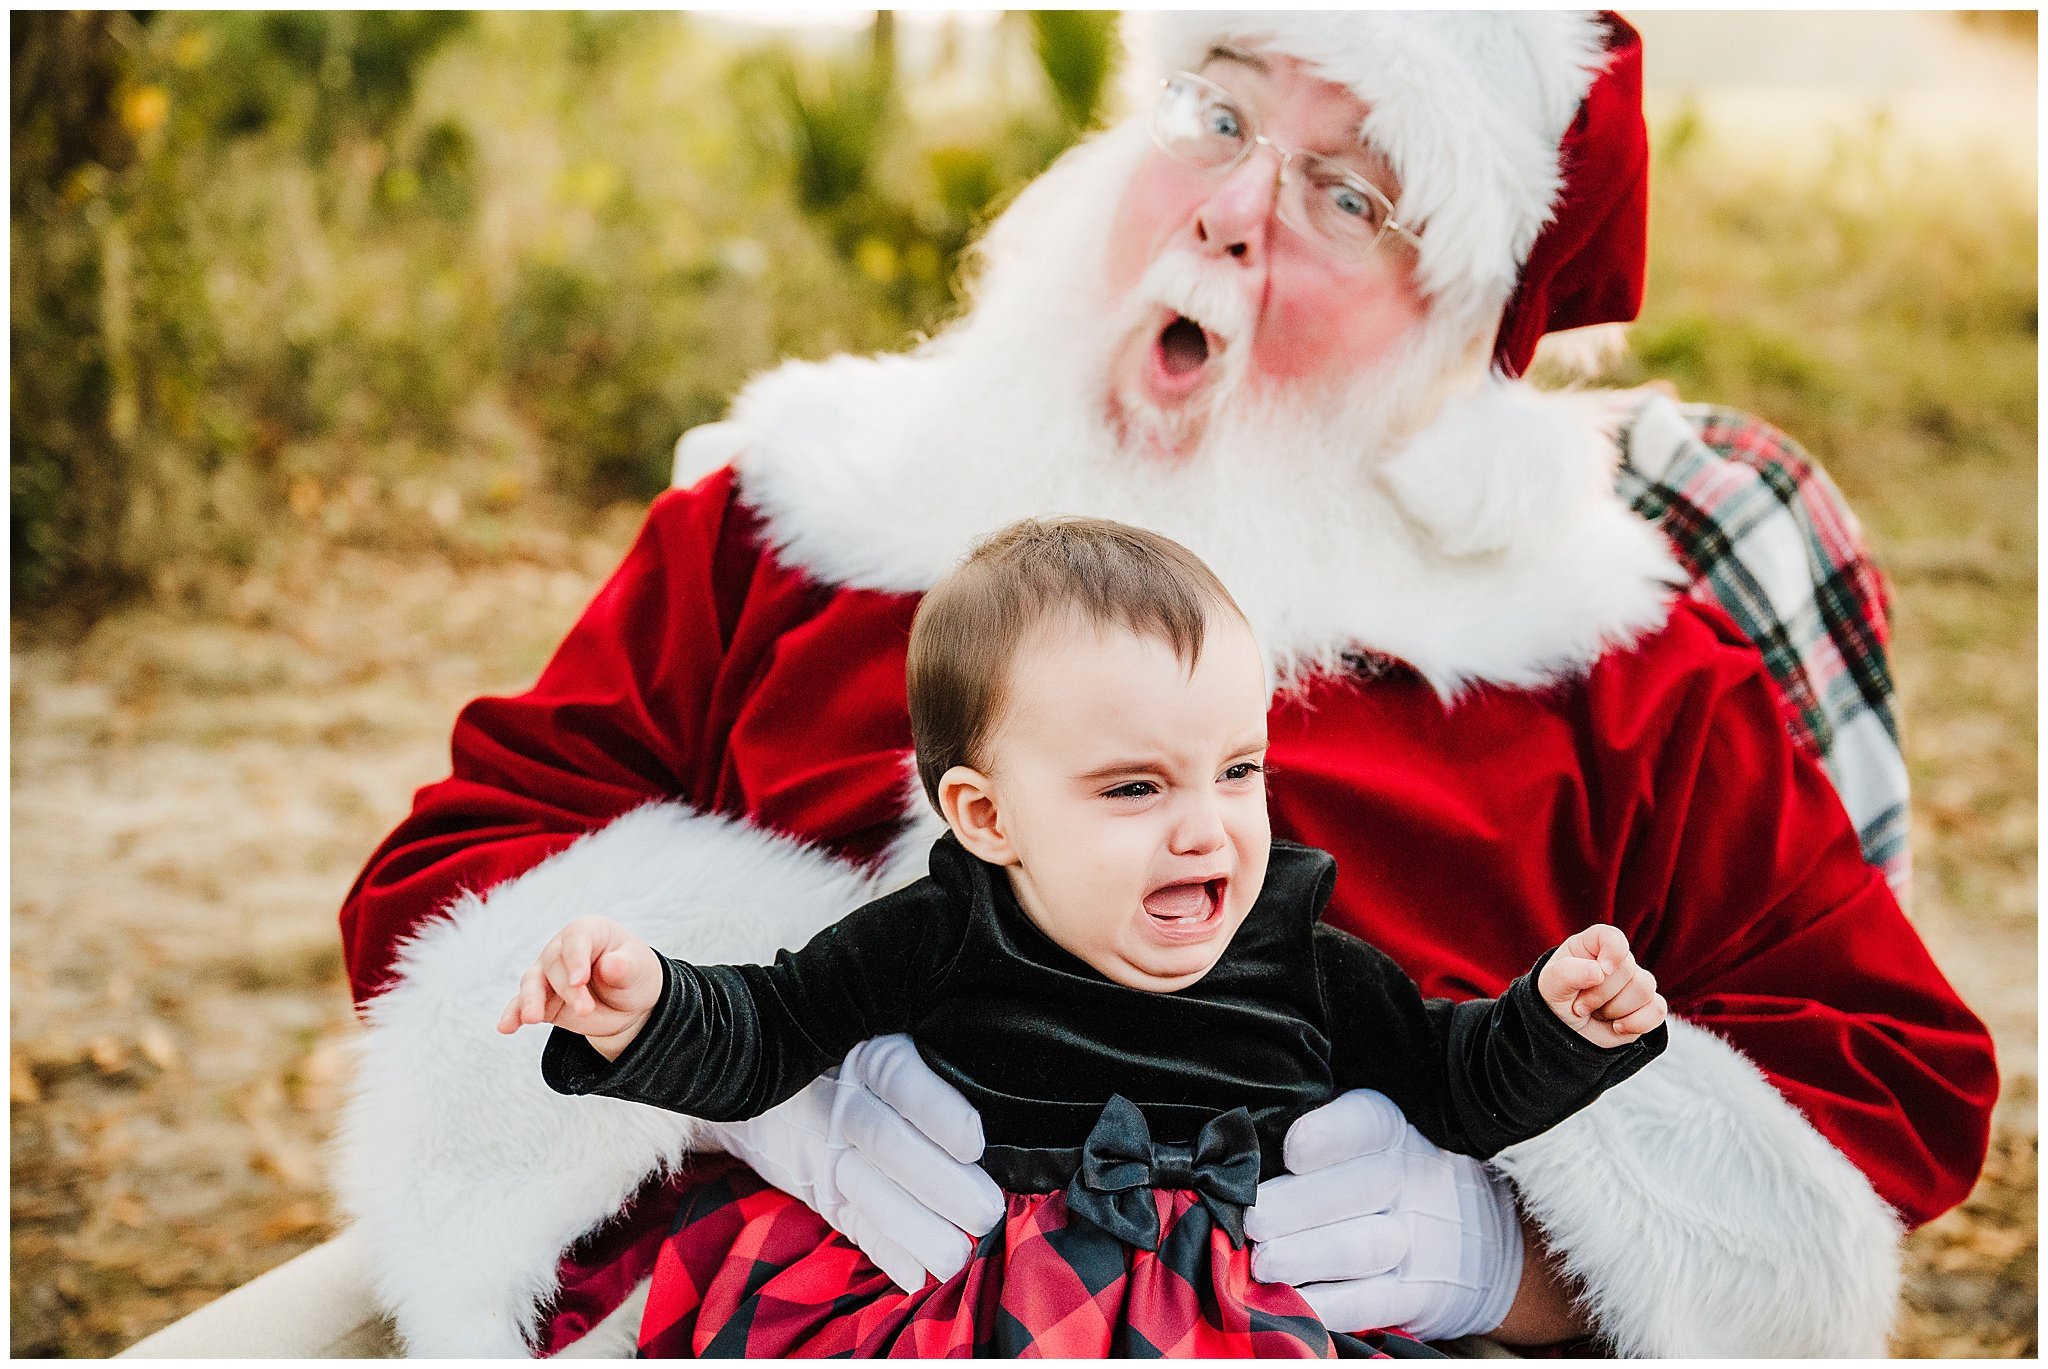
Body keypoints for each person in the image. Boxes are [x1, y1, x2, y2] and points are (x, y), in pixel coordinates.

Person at [332, 11, 1997, 1359]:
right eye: (1211, 112)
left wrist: (1513, 1252)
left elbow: (1875, 1083)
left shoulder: (1607, 674)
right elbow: (447, 880)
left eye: (1350, 194)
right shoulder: (789, 521)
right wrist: (736, 1062)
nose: (1227, 209)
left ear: (1452, 344)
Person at [496, 518, 1669, 1356]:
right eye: (1132, 790)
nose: (1204, 830)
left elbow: (1451, 1085)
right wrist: (643, 999)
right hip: (965, 1298)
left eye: (1236, 771)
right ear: (988, 817)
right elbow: (769, 1030)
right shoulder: (942, 932)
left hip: (1244, 1314)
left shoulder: (1298, 954)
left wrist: (1554, 1024)